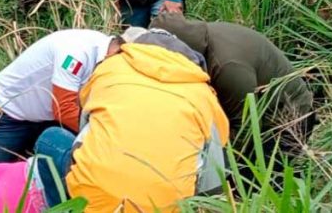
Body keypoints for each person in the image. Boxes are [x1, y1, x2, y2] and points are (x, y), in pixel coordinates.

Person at [37, 31, 230, 212]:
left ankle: (67, 207)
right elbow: (214, 182)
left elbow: (85, 122)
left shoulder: (110, 68)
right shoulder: (204, 95)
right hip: (166, 207)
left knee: (49, 138)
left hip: (94, 201)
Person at [145, 14, 316, 177]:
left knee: (251, 187)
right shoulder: (195, 37)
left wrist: (209, 164)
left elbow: (245, 128)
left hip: (286, 120)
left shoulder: (227, 66)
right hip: (248, 107)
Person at [0, 29, 126, 165]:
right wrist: (100, 137)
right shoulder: (76, 52)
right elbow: (63, 109)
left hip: (45, 117)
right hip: (8, 114)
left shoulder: (106, 53)